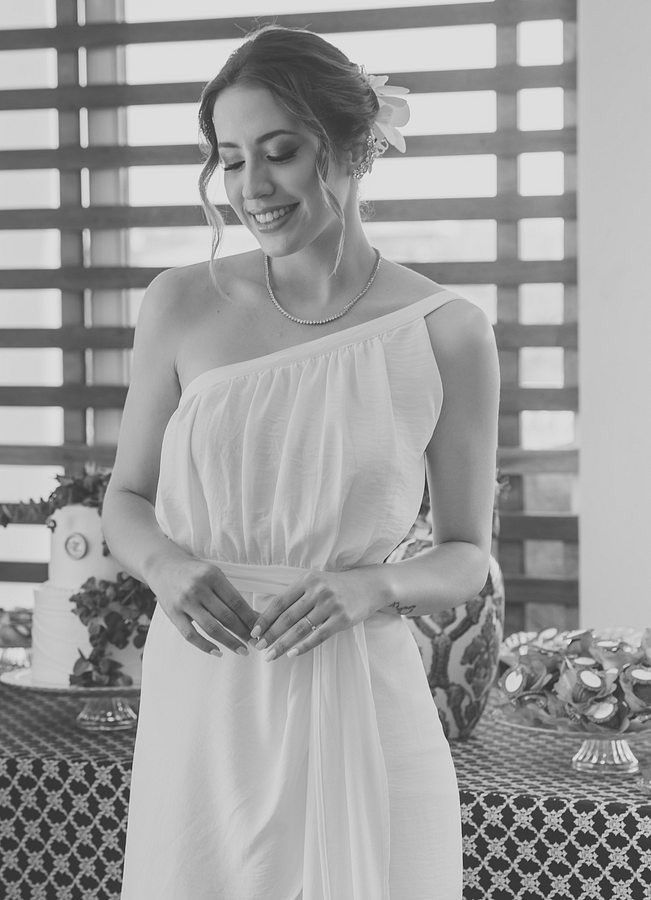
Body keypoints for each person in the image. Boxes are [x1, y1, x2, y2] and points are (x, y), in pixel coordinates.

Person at [106, 23, 500, 900]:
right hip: (206, 695)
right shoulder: (179, 303)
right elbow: (126, 496)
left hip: (361, 689)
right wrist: (164, 565)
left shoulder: (448, 332)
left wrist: (373, 588)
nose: (252, 186)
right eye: (230, 159)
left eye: (278, 152)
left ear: (353, 149)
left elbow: (466, 554)